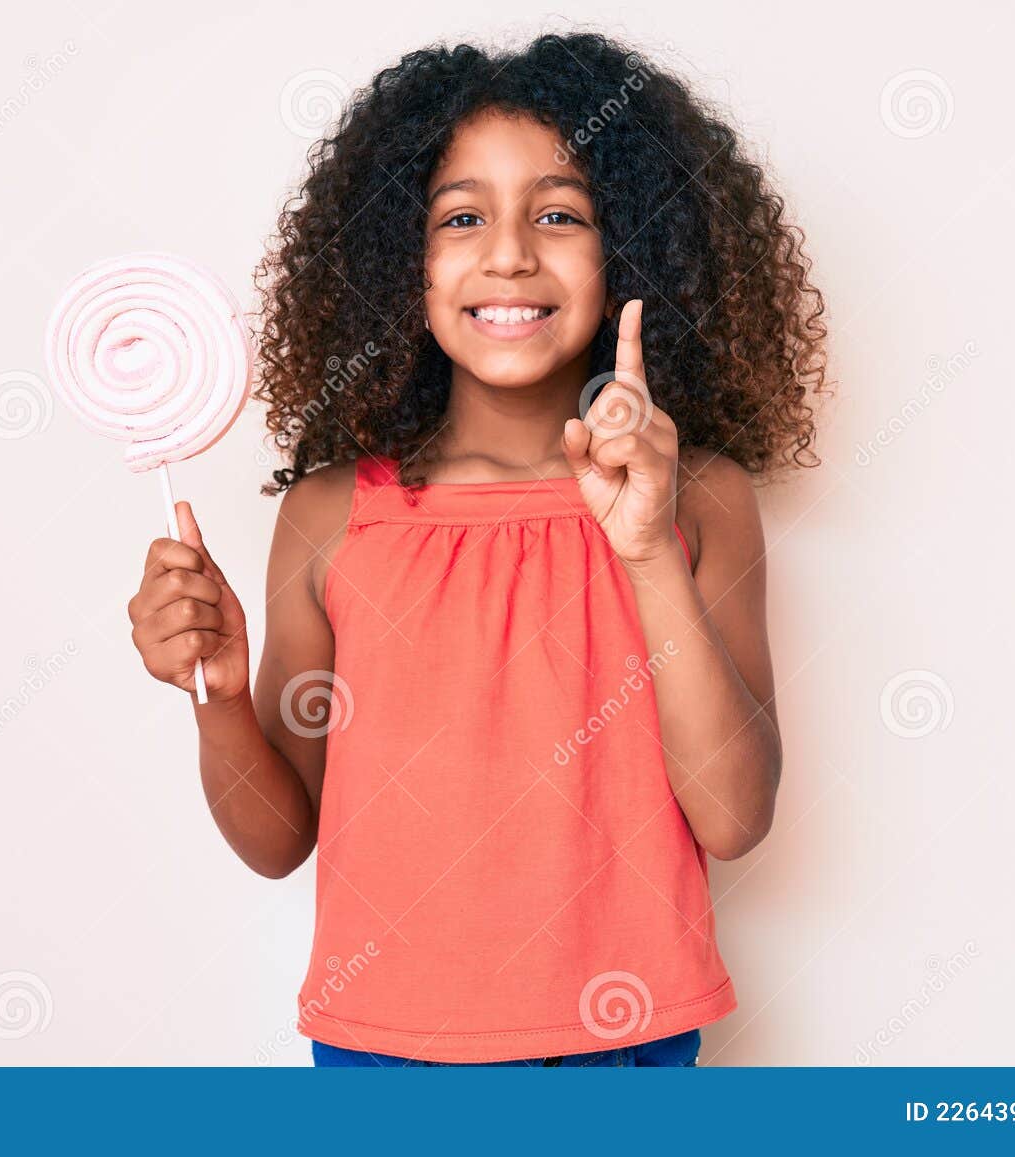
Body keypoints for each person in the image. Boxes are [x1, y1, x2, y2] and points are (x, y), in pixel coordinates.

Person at [126, 31, 830, 1067]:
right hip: (383, 1062)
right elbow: (277, 840)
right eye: (461, 217)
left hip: (623, 1050)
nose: (508, 252)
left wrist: (642, 550)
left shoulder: (696, 498)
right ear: (397, 264)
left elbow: (731, 817)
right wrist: (216, 693)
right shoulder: (330, 516)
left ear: (625, 251)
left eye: (558, 213)